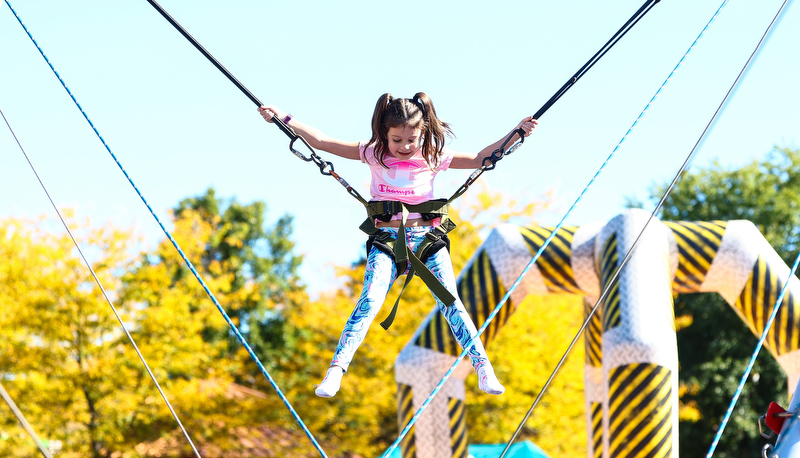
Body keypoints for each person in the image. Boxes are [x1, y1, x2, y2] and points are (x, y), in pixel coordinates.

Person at [259, 93, 538, 398]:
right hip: (387, 242)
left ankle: (483, 367)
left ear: (423, 133)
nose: (404, 147)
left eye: (411, 140)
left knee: (451, 302)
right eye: (397, 140)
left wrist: (517, 133)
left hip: (427, 242)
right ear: (384, 133)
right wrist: (283, 119)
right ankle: (336, 369)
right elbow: (323, 141)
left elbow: (480, 158)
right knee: (370, 301)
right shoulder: (373, 154)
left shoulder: (433, 156)